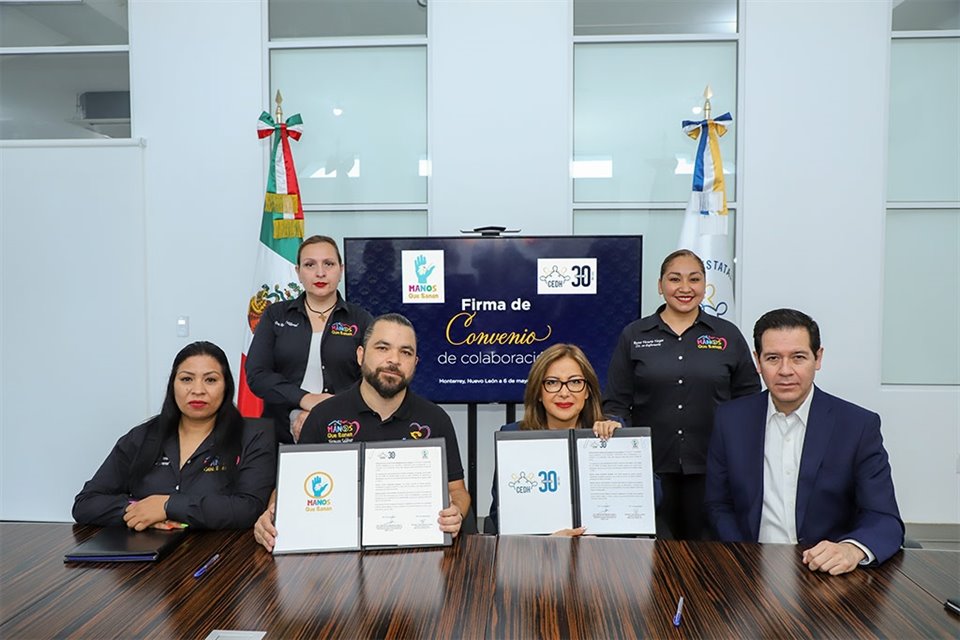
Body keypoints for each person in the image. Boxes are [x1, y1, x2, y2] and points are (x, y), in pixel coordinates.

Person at [705, 309, 904, 574]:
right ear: (757, 361)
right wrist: (742, 553)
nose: (785, 371)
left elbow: (884, 518)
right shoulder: (730, 420)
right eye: (773, 358)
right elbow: (718, 504)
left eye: (798, 357)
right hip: (748, 573)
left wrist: (851, 548)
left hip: (826, 575)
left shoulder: (857, 426)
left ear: (817, 357)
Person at [253, 313, 471, 551]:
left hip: (416, 552)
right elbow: (291, 487)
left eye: (406, 352)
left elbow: (457, 491)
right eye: (382, 348)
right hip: (337, 552)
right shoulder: (323, 416)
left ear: (415, 363)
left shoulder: (436, 419)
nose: (394, 360)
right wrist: (272, 515)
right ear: (360, 355)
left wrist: (456, 512)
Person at [602, 249, 761, 540]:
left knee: (709, 556)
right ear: (660, 285)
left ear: (705, 285)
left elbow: (748, 400)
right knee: (657, 558)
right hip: (650, 469)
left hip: (714, 467)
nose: (685, 288)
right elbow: (616, 402)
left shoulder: (727, 335)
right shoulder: (635, 335)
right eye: (675, 279)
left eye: (695, 279)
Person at [73, 341, 276, 530]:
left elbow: (250, 508)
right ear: (173, 385)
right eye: (187, 379)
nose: (198, 390)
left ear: (226, 387)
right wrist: (140, 511)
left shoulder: (254, 436)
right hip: (146, 558)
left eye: (211, 380)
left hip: (225, 558)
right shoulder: (142, 437)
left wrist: (168, 506)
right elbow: (86, 503)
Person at [487, 343, 661, 536]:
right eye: (552, 382)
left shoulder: (611, 431)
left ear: (587, 391)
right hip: (537, 556)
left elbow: (654, 499)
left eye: (575, 382)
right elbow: (499, 515)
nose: (564, 392)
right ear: (538, 392)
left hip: (604, 553)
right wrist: (546, 541)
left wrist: (625, 448)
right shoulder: (514, 437)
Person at [246, 235, 372, 445]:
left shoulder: (361, 319)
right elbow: (257, 374)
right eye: (310, 265)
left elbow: (371, 379)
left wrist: (329, 408)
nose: (320, 272)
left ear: (341, 270)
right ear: (298, 272)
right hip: (279, 434)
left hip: (345, 431)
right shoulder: (275, 315)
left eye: (328, 264)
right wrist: (305, 399)